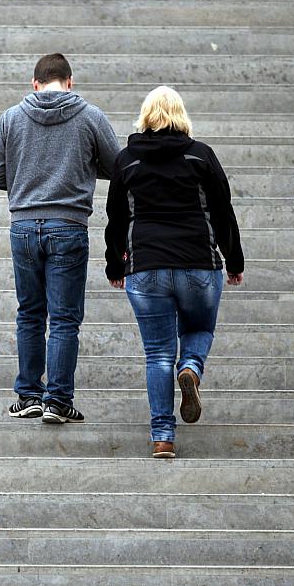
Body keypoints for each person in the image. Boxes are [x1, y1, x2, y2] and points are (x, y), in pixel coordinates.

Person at [104, 86, 244, 458]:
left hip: (146, 267)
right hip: (198, 263)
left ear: (146, 115)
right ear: (181, 114)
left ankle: (163, 437)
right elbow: (222, 211)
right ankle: (192, 368)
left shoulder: (127, 160)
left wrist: (115, 265)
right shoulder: (201, 156)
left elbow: (116, 217)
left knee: (157, 355)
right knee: (199, 329)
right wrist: (234, 261)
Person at [0, 53, 121, 424]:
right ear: (70, 81)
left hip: (24, 227)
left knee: (29, 313)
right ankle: (57, 401)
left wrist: (26, 182)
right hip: (69, 226)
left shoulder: (12, 117)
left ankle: (28, 394)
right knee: (63, 319)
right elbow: (118, 166)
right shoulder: (90, 116)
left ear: (36, 83)